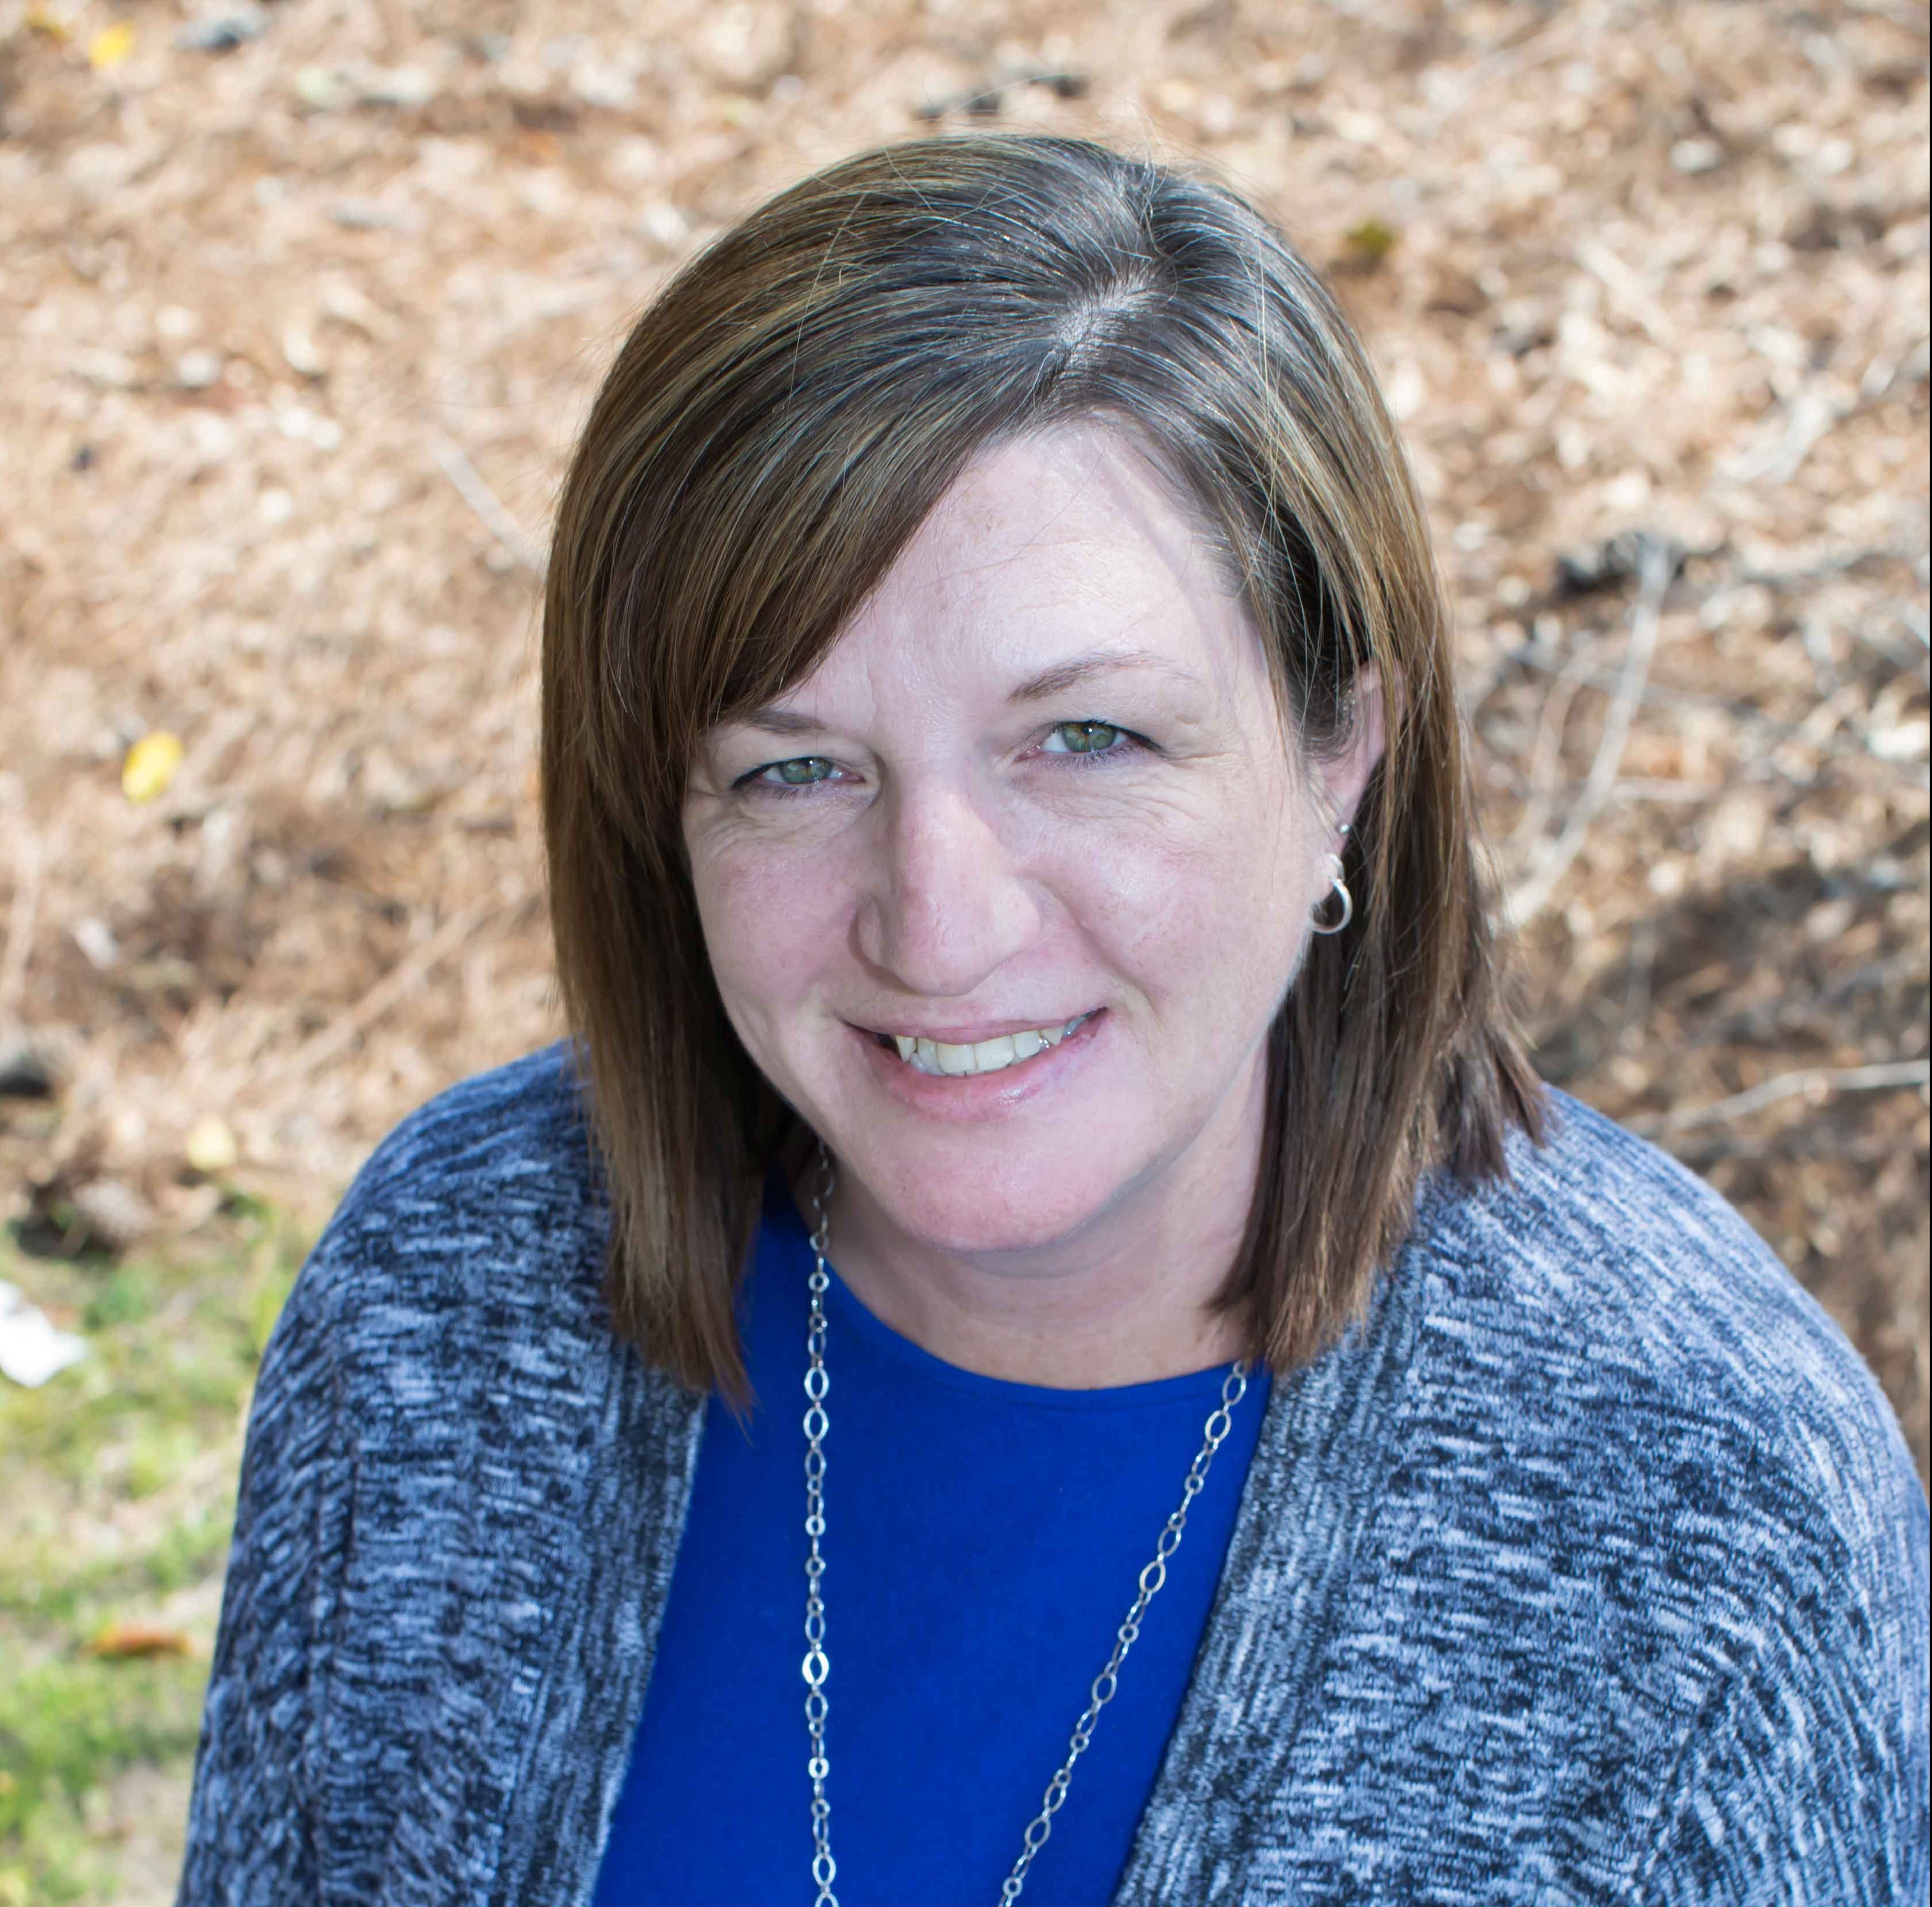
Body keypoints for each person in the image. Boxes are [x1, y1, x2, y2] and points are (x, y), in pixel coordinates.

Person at [176, 134, 1927, 1906]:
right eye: (794, 768)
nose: (936, 927)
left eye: (1084, 739)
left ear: (1339, 757)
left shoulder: (1700, 1510)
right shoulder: (449, 1306)